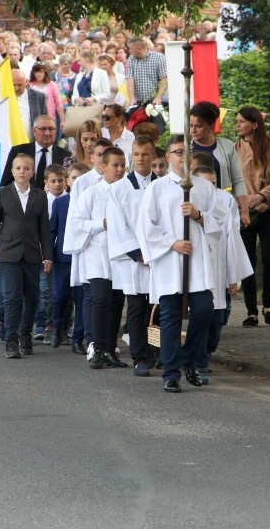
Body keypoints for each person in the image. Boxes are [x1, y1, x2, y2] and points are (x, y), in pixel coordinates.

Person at [136, 135, 221, 393]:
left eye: (186, 152)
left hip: (197, 261)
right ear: (169, 157)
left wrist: (197, 215)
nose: (181, 157)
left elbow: (219, 223)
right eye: (176, 152)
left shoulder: (204, 189)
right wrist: (172, 243)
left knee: (204, 309)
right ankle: (171, 373)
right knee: (171, 315)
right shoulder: (157, 188)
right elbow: (146, 226)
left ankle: (191, 359)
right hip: (170, 261)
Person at [0, 154, 53, 358]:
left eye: (26, 168)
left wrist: (47, 256)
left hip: (32, 254)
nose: (22, 171)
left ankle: (24, 335)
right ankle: (11, 340)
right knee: (12, 298)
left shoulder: (40, 196)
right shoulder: (3, 193)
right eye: (18, 168)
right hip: (9, 253)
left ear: (32, 172)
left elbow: (44, 229)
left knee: (32, 298)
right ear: (12, 171)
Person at [67, 146, 128, 369]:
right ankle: (97, 347)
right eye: (115, 165)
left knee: (116, 302)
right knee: (100, 299)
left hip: (121, 256)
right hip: (98, 255)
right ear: (103, 167)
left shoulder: (127, 193)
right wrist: (99, 224)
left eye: (123, 165)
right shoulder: (91, 193)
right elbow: (76, 222)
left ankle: (111, 348)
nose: (120, 170)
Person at [190, 163, 253, 383]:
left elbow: (232, 240)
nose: (211, 189)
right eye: (206, 184)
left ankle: (206, 351)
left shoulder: (225, 202)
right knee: (199, 317)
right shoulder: (189, 200)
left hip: (218, 267)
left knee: (216, 320)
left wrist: (232, 277)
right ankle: (198, 361)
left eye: (214, 184)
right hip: (197, 267)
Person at [107, 136, 158, 376]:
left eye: (145, 154)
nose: (140, 159)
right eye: (136, 154)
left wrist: (158, 251)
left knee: (157, 309)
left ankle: (156, 352)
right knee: (137, 308)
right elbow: (118, 226)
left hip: (160, 257)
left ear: (153, 157)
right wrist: (138, 253)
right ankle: (139, 357)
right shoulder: (119, 189)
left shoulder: (164, 186)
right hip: (135, 260)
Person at [235, 106, 270, 327]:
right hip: (245, 209)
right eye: (236, 121)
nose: (237, 125)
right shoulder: (235, 148)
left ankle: (268, 305)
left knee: (269, 257)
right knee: (247, 260)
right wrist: (250, 201)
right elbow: (234, 180)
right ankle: (251, 310)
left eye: (241, 122)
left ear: (254, 124)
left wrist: (263, 197)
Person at [189, 101, 249, 225]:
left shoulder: (227, 146)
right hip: (193, 208)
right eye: (191, 126)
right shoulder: (184, 148)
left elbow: (237, 179)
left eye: (198, 126)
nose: (193, 130)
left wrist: (244, 211)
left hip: (221, 206)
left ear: (210, 127)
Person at [52, 162, 90, 354]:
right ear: (68, 181)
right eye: (74, 178)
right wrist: (48, 257)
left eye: (82, 178)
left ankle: (78, 338)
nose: (78, 182)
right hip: (63, 258)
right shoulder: (60, 203)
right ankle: (57, 328)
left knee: (82, 299)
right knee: (59, 297)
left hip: (84, 257)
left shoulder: (90, 201)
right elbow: (52, 230)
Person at [36, 164, 67, 344]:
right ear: (46, 183)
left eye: (60, 180)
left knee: (65, 293)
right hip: (46, 252)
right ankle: (47, 325)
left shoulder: (69, 200)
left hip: (63, 253)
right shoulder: (42, 200)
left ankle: (63, 326)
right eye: (53, 181)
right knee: (47, 291)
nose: (57, 184)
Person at [0, 115, 71, 189]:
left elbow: (69, 185)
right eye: (43, 129)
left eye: (51, 129)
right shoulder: (18, 151)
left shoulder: (66, 156)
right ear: (34, 131)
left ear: (56, 131)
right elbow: (6, 183)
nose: (47, 133)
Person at [125, 37, 167, 106]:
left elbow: (164, 79)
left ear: (138, 49)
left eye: (130, 49)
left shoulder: (159, 58)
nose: (129, 51)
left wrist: (158, 97)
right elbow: (129, 79)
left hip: (155, 101)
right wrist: (132, 98)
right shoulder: (131, 59)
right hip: (138, 102)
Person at [11, 68, 48, 142]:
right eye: (13, 85)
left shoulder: (38, 97)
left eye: (19, 85)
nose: (16, 88)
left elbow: (45, 121)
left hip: (32, 144)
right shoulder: (3, 98)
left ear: (26, 82)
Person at [28, 62, 65, 128]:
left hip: (49, 117)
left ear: (45, 73)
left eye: (41, 72)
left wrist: (62, 120)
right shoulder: (29, 85)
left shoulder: (52, 85)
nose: (39, 74)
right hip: (33, 117)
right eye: (36, 72)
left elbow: (58, 103)